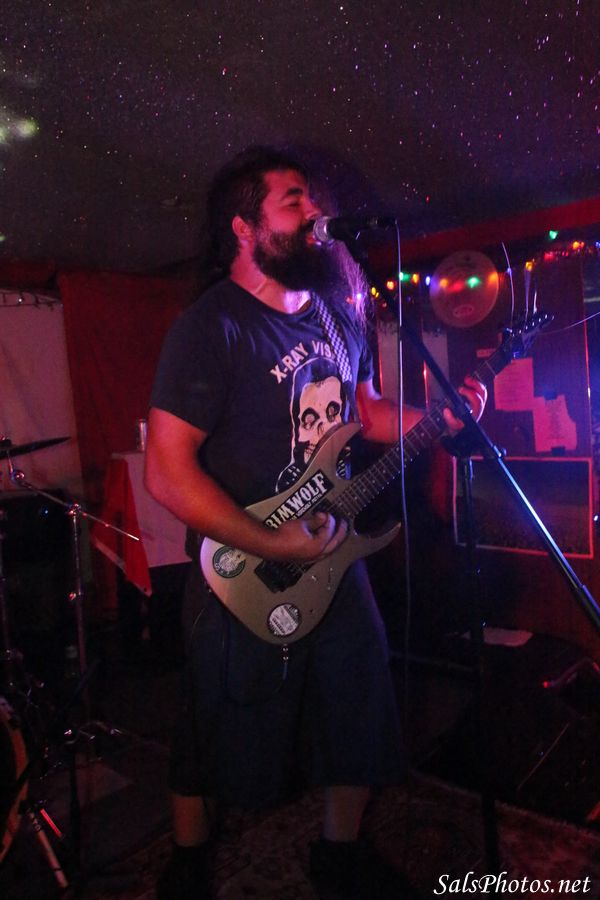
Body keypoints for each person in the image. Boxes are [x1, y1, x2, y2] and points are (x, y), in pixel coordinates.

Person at [144, 145, 487, 899]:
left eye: (312, 199)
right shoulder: (212, 326)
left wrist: (440, 418)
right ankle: (188, 860)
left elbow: (365, 412)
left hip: (332, 548)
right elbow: (166, 472)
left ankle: (339, 852)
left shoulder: (336, 315)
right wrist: (270, 539)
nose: (315, 213)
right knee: (212, 716)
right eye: (293, 200)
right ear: (244, 227)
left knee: (359, 696)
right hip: (241, 563)